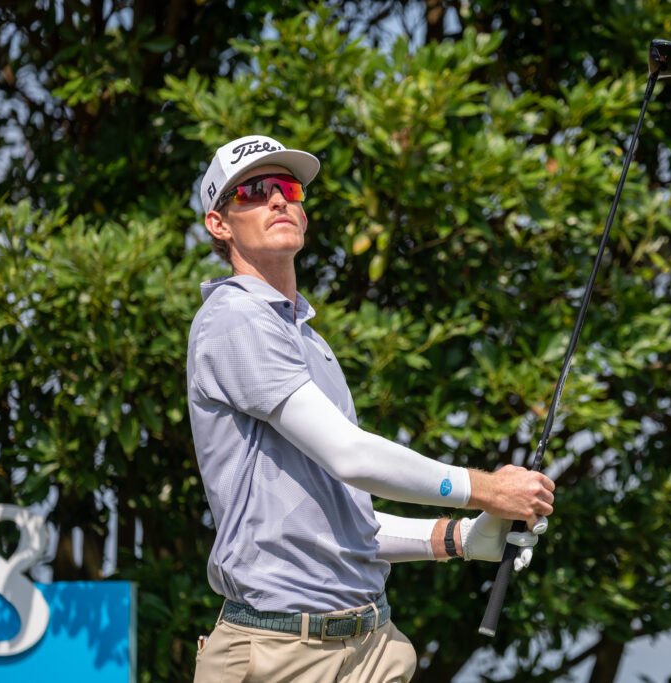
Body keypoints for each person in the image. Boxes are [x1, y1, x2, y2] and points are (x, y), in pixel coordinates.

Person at [187, 134, 556, 683]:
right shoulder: (234, 317)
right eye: (254, 191)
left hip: (372, 646)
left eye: (288, 188)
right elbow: (352, 456)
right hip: (278, 654)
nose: (279, 199)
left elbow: (338, 520)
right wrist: (489, 490)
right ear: (219, 224)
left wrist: (455, 538)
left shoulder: (307, 338)